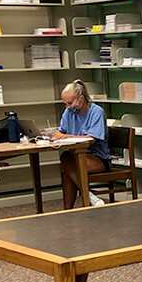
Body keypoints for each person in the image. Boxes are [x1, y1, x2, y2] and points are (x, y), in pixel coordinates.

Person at [56, 80, 110, 208]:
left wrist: (67, 136)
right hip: (76, 156)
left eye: (70, 103)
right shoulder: (69, 112)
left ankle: (72, 207)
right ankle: (89, 196)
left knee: (69, 171)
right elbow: (60, 132)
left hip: (98, 158)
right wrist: (58, 135)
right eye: (65, 104)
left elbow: (91, 139)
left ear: (81, 99)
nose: (68, 107)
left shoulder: (96, 112)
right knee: (66, 158)